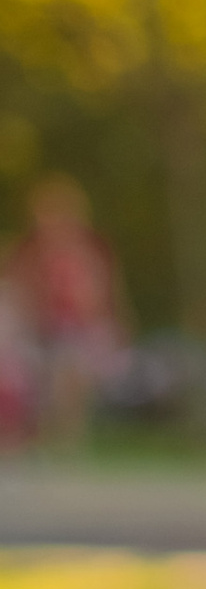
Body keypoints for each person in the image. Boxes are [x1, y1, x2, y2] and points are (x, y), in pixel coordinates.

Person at [7, 176, 126, 445]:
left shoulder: (93, 251)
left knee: (70, 368)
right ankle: (39, 440)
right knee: (38, 369)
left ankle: (64, 442)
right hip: (38, 334)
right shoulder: (28, 253)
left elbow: (104, 300)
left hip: (82, 335)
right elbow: (20, 300)